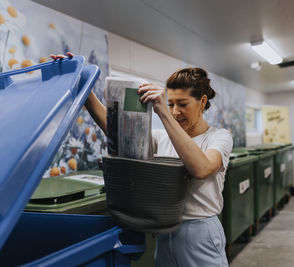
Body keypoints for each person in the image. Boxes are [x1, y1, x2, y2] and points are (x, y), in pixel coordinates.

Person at [51, 53, 233, 267]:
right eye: (171, 104)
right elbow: (117, 132)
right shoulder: (163, 138)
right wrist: (85, 90)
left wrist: (163, 112)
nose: (175, 112)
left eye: (182, 104)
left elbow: (201, 168)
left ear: (202, 102)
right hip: (166, 231)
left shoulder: (219, 137)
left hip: (200, 232)